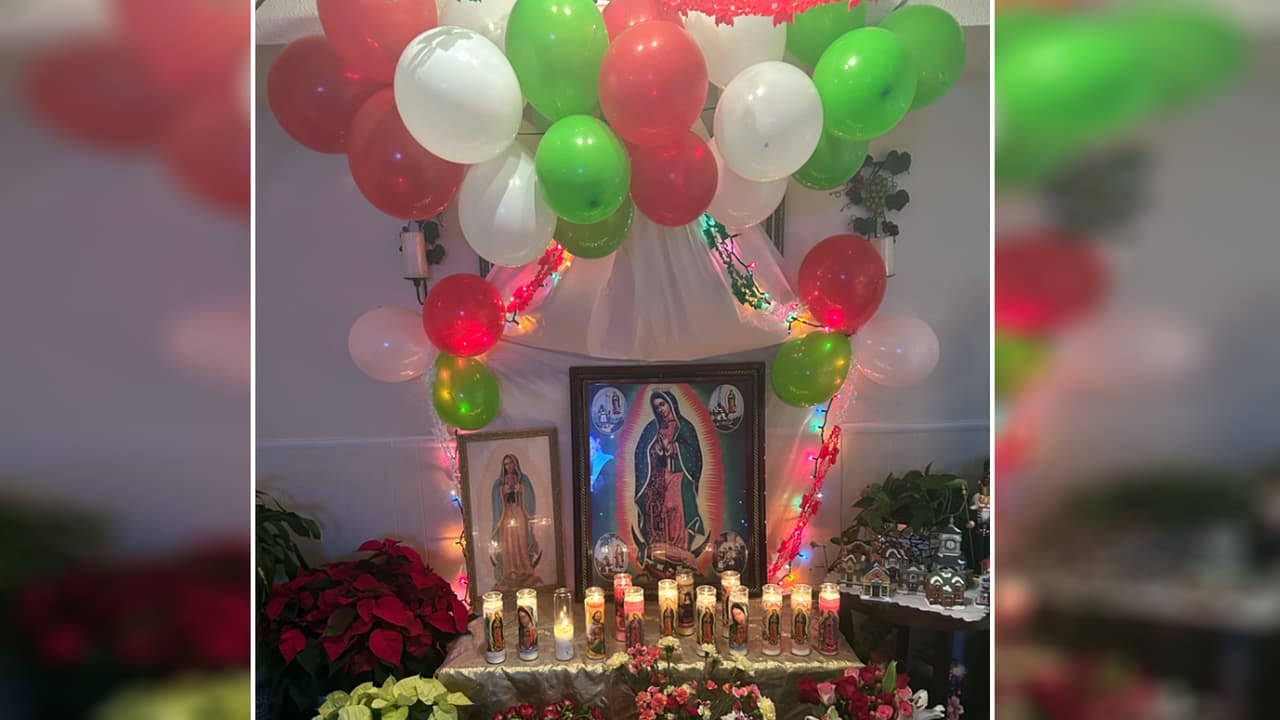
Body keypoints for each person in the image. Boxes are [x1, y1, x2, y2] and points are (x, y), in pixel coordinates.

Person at [633, 390, 706, 566]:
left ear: (671, 403)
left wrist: (673, 448)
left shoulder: (685, 427)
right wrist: (655, 452)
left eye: (663, 404)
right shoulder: (652, 428)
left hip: (679, 479)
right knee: (660, 513)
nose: (661, 410)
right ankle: (662, 553)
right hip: (658, 480)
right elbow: (640, 453)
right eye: (657, 406)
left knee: (676, 513)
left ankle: (680, 553)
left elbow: (695, 456)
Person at [491, 454, 540, 587]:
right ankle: (509, 570)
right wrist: (502, 491)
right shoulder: (499, 483)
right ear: (504, 466)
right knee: (509, 543)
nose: (509, 466)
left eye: (511, 463)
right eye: (506, 464)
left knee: (520, 540)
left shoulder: (523, 479)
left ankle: (524, 568)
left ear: (515, 464)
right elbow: (495, 497)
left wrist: (522, 490)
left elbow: (531, 495)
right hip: (506, 514)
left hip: (519, 512)